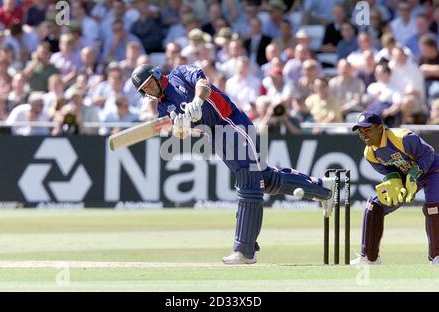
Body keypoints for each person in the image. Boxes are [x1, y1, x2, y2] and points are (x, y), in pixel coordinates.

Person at [130, 64, 338, 265]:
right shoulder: (163, 107)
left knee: (248, 180)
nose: (149, 89)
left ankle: (244, 251)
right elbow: (180, 135)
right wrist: (181, 126)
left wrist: (197, 101)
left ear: (157, 74)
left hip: (231, 122)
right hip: (216, 135)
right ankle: (323, 189)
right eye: (144, 89)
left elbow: (203, 82)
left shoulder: (178, 74)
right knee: (263, 179)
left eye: (149, 83)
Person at [351, 111, 439, 265]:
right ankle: (369, 257)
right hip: (408, 176)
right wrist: (395, 181)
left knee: (434, 207)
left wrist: (414, 173)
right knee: (374, 206)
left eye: (368, 129)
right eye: (361, 131)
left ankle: (437, 257)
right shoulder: (370, 153)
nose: (364, 135)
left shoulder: (403, 138)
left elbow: (428, 153)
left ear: (380, 128)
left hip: (433, 170)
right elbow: (389, 170)